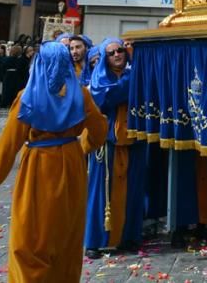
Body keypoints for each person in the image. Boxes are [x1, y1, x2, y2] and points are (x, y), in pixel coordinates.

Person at [0, 42, 108, 281]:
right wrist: (82, 146)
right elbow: (99, 130)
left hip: (38, 168)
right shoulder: (80, 95)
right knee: (67, 235)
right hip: (71, 164)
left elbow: (9, 144)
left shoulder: (28, 97)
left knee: (31, 237)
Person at [84, 38, 146, 257]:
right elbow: (106, 98)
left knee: (133, 191)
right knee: (101, 192)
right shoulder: (100, 79)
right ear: (105, 57)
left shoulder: (134, 75)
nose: (118, 54)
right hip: (107, 143)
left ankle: (128, 237)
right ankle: (95, 241)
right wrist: (132, 83)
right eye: (111, 52)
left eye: (120, 50)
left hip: (133, 142)